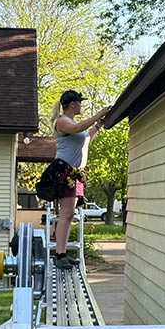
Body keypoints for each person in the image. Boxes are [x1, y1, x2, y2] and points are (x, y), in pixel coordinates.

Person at [49, 90, 111, 269]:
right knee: (66, 214)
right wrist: (99, 113)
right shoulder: (62, 122)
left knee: (69, 216)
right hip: (63, 172)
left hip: (74, 174)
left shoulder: (74, 124)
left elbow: (85, 139)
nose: (82, 106)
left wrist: (98, 125)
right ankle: (59, 255)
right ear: (73, 104)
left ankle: (63, 253)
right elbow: (77, 129)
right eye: (80, 103)